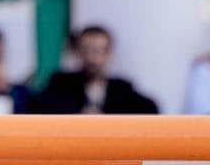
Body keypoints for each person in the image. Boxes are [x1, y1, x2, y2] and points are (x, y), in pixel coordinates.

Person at [30, 25, 158, 114]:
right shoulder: (61, 84)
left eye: (99, 51)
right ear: (78, 52)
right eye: (86, 50)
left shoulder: (122, 89)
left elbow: (149, 110)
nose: (92, 58)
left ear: (109, 54)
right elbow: (38, 106)